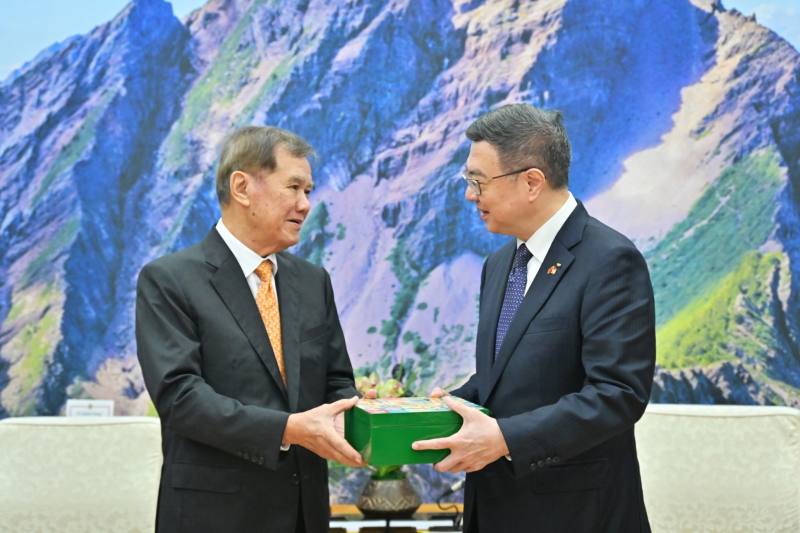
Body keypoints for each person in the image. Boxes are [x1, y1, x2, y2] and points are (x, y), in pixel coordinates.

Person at [413, 104, 656, 532]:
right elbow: (506, 378)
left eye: (478, 181)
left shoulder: (610, 260)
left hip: (575, 515)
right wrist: (444, 405)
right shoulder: (501, 262)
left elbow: (618, 394)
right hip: (495, 509)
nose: (470, 195)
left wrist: (505, 439)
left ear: (531, 182)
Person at [136, 126, 363, 533]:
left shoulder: (313, 281)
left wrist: (359, 414)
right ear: (242, 187)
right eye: (293, 187)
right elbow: (180, 398)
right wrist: (287, 430)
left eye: (308, 190)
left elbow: (337, 380)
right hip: (214, 516)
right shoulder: (169, 280)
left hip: (303, 513)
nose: (305, 204)